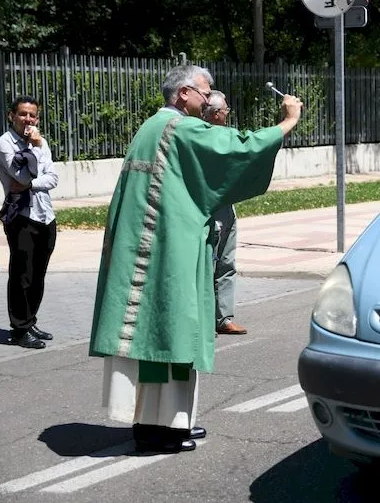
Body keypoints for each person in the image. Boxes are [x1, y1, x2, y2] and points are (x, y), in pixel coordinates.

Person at [89, 64, 302, 454]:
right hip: (165, 250)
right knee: (167, 333)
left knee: (165, 334)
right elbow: (238, 147)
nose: (208, 101)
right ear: (183, 92)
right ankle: (155, 431)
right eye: (206, 92)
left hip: (158, 244)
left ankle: (169, 423)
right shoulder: (179, 127)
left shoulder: (154, 127)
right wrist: (287, 122)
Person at [0, 96, 59, 350]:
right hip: (21, 216)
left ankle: (30, 321)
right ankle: (19, 329)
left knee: (38, 273)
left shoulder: (41, 142)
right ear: (12, 116)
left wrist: (32, 183)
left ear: (37, 118)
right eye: (22, 114)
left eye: (32, 115)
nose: (28, 119)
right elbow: (21, 174)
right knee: (23, 274)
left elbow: (52, 178)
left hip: (45, 215)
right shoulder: (5, 143)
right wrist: (34, 153)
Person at [202, 90, 246, 335]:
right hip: (211, 207)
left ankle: (224, 318)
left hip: (227, 206)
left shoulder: (228, 135)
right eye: (225, 109)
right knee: (208, 263)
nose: (228, 113)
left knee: (227, 262)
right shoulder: (202, 137)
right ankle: (203, 319)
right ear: (216, 113)